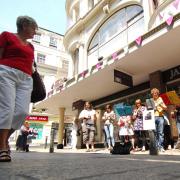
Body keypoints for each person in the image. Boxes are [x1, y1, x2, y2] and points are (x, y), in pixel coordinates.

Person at [0, 16, 38, 162]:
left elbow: (30, 64)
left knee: (22, 112)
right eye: (33, 28)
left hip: (26, 78)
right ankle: (3, 147)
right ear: (24, 26)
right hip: (7, 73)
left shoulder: (31, 46)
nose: (35, 32)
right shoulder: (6, 35)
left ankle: (2, 140)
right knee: (7, 109)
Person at [151, 88, 167, 152]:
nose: (155, 94)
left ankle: (161, 146)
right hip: (153, 117)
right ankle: (157, 146)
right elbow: (148, 110)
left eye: (156, 93)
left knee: (161, 133)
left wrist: (160, 105)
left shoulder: (160, 99)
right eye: (154, 93)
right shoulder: (151, 100)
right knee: (155, 133)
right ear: (152, 94)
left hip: (160, 117)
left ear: (158, 94)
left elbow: (165, 108)